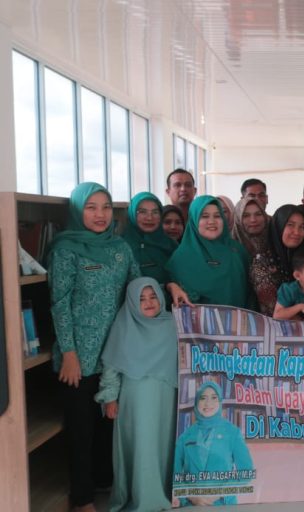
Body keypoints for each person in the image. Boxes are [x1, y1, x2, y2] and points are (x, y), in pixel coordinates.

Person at [49, 182, 141, 512]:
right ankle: (82, 498)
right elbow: (59, 303)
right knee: (81, 430)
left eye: (106, 207)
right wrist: (69, 354)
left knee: (108, 426)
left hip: (115, 353)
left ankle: (103, 482)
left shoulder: (121, 248)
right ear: (78, 211)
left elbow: (137, 288)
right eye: (91, 207)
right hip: (79, 357)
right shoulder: (65, 249)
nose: (100, 215)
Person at [95, 277, 177, 512]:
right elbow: (111, 367)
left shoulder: (172, 324)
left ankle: (164, 491)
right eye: (141, 299)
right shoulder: (124, 327)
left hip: (166, 398)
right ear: (131, 302)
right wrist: (110, 398)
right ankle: (144, 497)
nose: (149, 302)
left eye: (153, 297)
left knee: (164, 445)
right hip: (135, 401)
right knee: (141, 445)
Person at [173, 381, 254, 506]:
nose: (208, 403)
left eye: (214, 398)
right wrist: (192, 496)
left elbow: (247, 472)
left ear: (220, 401)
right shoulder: (185, 436)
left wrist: (218, 493)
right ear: (196, 402)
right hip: (192, 506)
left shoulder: (233, 433)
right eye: (203, 398)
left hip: (224, 505)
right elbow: (174, 475)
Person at [165, 196, 251, 308]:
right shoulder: (180, 258)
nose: (212, 221)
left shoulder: (237, 251)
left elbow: (250, 293)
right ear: (194, 220)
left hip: (240, 318)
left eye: (217, 216)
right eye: (204, 216)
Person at [249, 204, 304, 315]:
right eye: (290, 225)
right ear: (279, 226)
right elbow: (271, 309)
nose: (297, 232)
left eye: (301, 227)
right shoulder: (262, 262)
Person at [122, 192, 177, 286]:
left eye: (155, 212)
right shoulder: (121, 247)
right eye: (142, 212)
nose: (149, 218)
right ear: (132, 213)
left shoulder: (171, 245)